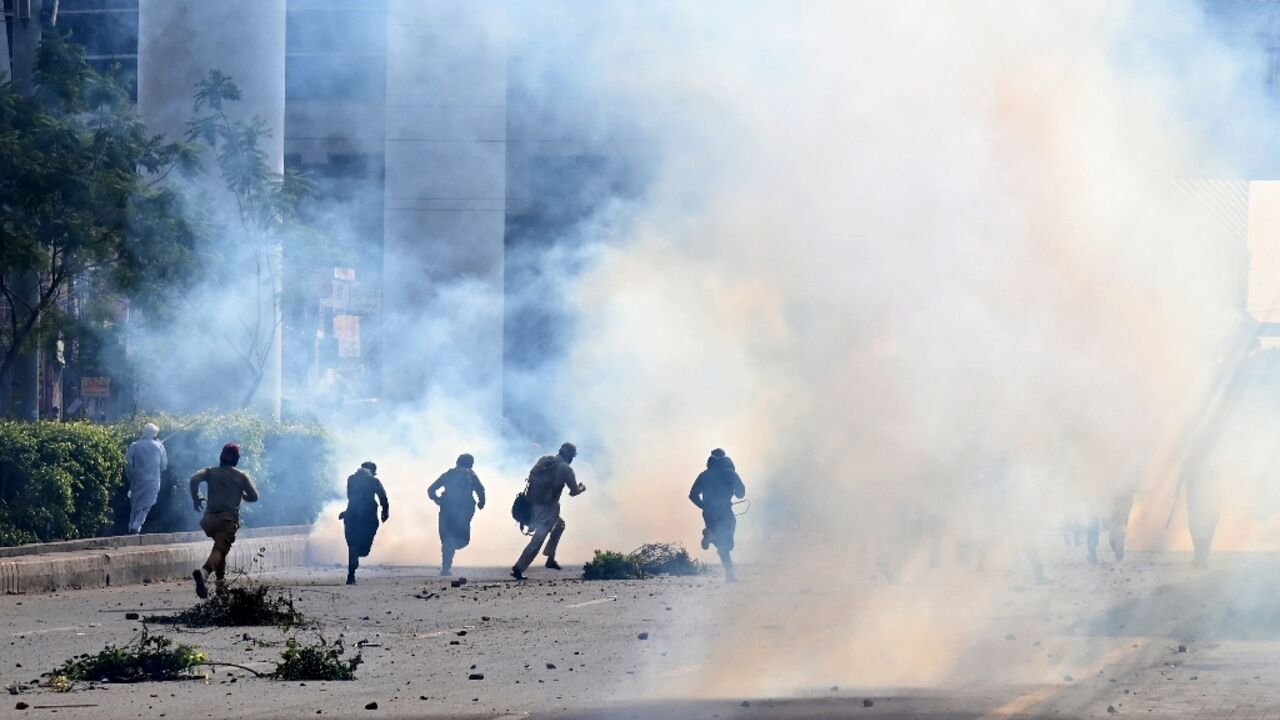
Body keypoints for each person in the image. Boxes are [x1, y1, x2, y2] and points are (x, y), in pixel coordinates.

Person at [189, 443, 258, 599]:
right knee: (220, 550)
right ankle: (204, 573)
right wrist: (244, 496)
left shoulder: (210, 472)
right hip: (227, 520)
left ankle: (221, 585)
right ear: (237, 459)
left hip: (209, 520)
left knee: (220, 550)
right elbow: (254, 497)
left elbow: (194, 479)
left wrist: (196, 498)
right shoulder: (241, 476)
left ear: (221, 456)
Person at [512, 442, 585, 580]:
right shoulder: (566, 470)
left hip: (534, 504)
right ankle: (519, 567)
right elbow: (574, 491)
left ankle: (550, 557)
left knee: (560, 525)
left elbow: (531, 477)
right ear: (570, 457)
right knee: (538, 539)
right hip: (548, 508)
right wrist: (582, 488)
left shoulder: (544, 460)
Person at [689, 448, 746, 582]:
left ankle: (729, 574)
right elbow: (741, 494)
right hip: (725, 511)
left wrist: (704, 506)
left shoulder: (704, 475)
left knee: (722, 544)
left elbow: (692, 495)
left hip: (709, 514)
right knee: (728, 543)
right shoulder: (731, 474)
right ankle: (729, 572)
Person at [428, 453, 485, 576]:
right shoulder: (471, 474)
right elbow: (480, 490)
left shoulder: (448, 474)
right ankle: (446, 564)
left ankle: (446, 567)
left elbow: (431, 490)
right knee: (460, 538)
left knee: (447, 537)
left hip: (447, 508)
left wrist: (437, 499)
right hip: (463, 509)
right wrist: (481, 503)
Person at [340, 461, 389, 585]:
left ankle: (351, 573)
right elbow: (383, 498)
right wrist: (385, 512)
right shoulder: (374, 481)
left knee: (353, 546)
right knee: (362, 549)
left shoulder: (351, 479)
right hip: (368, 518)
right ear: (372, 472)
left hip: (352, 516)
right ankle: (351, 573)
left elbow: (349, 496)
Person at [124, 423, 167, 534]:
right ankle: (136, 527)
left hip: (137, 480)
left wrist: (131, 476)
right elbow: (163, 465)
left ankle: (132, 529)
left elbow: (127, 463)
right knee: (146, 505)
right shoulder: (159, 446)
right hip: (153, 480)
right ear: (154, 434)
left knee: (135, 506)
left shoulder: (135, 445)